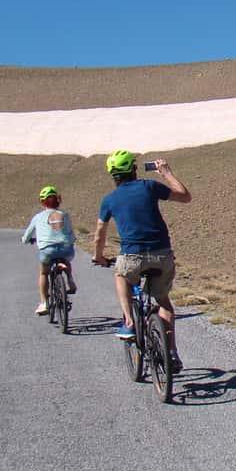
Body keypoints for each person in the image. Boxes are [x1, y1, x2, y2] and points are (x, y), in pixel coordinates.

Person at [92, 150, 191, 372]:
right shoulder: (149, 186)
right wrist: (166, 172)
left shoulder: (109, 200)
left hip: (132, 257)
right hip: (162, 254)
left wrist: (98, 256)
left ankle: (128, 321)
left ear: (113, 175)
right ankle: (172, 353)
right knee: (164, 303)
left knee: (120, 273)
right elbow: (185, 196)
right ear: (134, 170)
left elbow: (100, 232)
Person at [22, 185, 77, 315]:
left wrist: (26, 240)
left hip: (48, 250)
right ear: (57, 200)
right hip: (66, 249)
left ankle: (44, 303)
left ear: (42, 202)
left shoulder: (38, 217)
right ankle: (70, 280)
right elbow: (71, 234)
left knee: (44, 273)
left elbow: (26, 237)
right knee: (65, 260)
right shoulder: (64, 215)